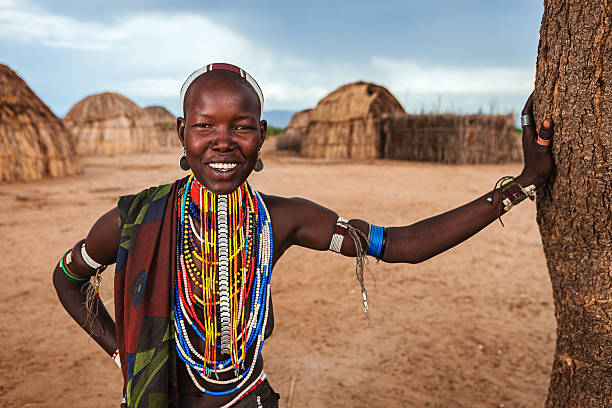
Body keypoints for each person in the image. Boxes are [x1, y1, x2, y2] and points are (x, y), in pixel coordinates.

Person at [53, 63, 554, 408]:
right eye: (205, 126)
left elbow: (403, 245)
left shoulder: (283, 219)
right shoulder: (136, 219)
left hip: (249, 399)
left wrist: (519, 186)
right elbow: (66, 278)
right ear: (182, 133)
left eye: (241, 127)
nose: (223, 142)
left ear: (262, 135)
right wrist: (121, 348)